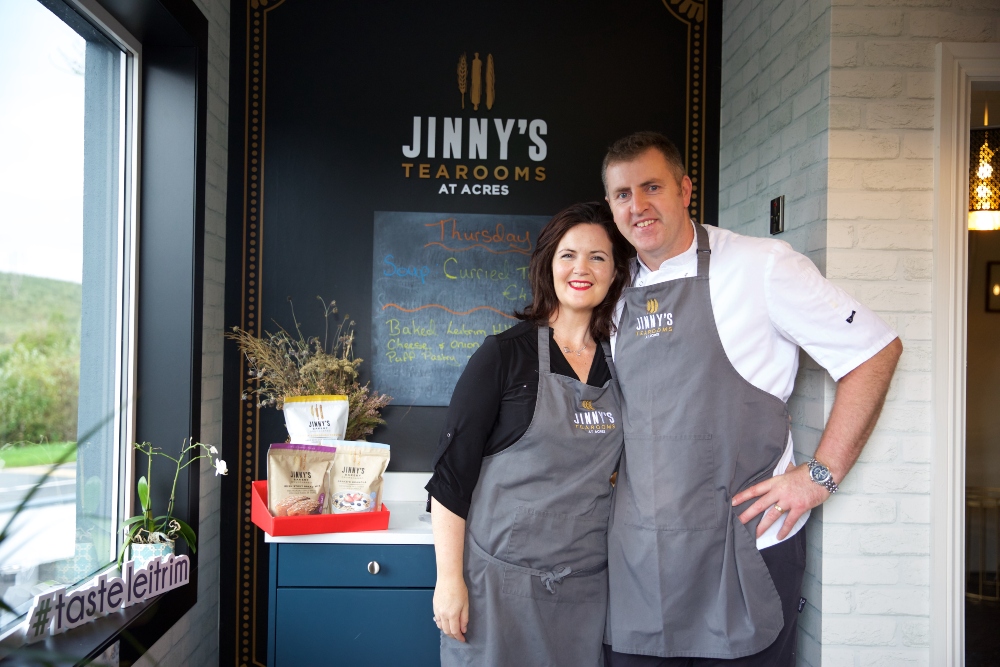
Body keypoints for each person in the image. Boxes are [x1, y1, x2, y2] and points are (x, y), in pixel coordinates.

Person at [600, 132, 903, 666]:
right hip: (641, 559)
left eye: (652, 187)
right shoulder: (610, 288)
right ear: (610, 206)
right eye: (623, 194)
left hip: (743, 554)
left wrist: (820, 475)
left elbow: (874, 352)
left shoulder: (761, 266)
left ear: (685, 189)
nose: (638, 206)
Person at [426, 201, 632, 666]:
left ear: (615, 272)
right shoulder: (503, 356)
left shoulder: (624, 364)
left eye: (598, 257)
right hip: (498, 589)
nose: (582, 268)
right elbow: (450, 479)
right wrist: (449, 581)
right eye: (568, 255)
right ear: (547, 266)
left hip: (586, 588)